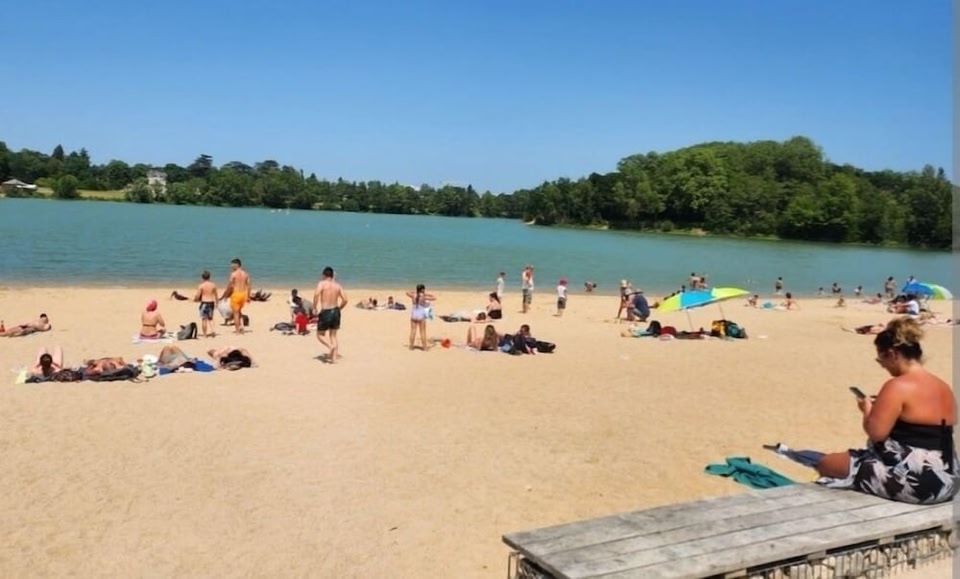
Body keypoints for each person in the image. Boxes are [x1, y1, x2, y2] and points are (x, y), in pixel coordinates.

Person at [810, 318, 958, 504]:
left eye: (881, 360)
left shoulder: (897, 386)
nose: (883, 366)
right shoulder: (942, 386)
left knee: (827, 463)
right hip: (949, 478)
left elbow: (876, 434)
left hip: (919, 483)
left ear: (893, 354)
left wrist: (867, 409)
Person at [313, 266, 349, 364]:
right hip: (335, 311)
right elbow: (345, 300)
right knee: (333, 336)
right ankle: (334, 359)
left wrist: (315, 307)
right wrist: (339, 308)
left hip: (326, 311)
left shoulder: (322, 283)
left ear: (324, 275)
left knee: (320, 335)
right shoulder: (337, 286)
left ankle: (330, 346)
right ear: (332, 275)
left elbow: (316, 294)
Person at [223, 258, 251, 335]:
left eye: (232, 265)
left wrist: (226, 295)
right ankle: (241, 327)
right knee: (239, 311)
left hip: (236, 294)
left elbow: (230, 286)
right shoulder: (246, 274)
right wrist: (248, 296)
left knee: (235, 313)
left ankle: (237, 331)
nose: (231, 267)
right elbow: (249, 286)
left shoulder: (233, 274)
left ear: (237, 265)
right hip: (243, 294)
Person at [406, 284, 436, 350]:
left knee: (413, 331)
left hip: (414, 315)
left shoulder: (413, 295)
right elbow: (434, 297)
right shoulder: (424, 297)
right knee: (422, 332)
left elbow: (407, 292)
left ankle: (411, 346)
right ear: (422, 290)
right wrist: (426, 294)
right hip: (421, 315)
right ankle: (424, 347)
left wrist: (416, 292)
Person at [194, 270, 219, 338]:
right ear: (209, 277)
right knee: (210, 318)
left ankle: (205, 335)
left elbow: (197, 296)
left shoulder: (201, 285)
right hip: (211, 302)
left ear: (202, 277)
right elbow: (216, 295)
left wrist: (195, 300)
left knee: (204, 319)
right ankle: (212, 331)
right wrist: (217, 303)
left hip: (204, 303)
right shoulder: (213, 285)